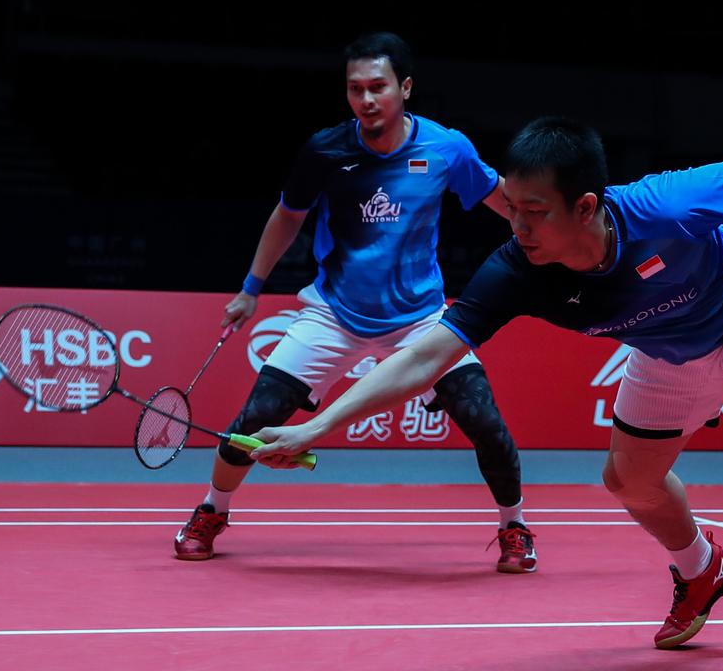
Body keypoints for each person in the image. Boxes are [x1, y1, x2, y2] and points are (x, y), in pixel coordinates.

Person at [247, 117, 723, 670]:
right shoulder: (518, 268)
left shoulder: (664, 204)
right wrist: (316, 427)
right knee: (630, 483)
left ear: (584, 206)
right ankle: (703, 570)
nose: (516, 228)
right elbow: (425, 355)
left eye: (533, 213)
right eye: (511, 209)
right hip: (666, 349)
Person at [173, 32, 538, 574]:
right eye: (356, 89)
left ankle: (514, 525)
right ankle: (212, 509)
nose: (366, 100)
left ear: (405, 88)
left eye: (378, 88)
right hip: (334, 314)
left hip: (421, 319)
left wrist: (553, 236)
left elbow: (502, 201)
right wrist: (251, 288)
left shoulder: (446, 148)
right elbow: (287, 217)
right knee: (254, 419)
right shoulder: (326, 150)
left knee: (484, 420)